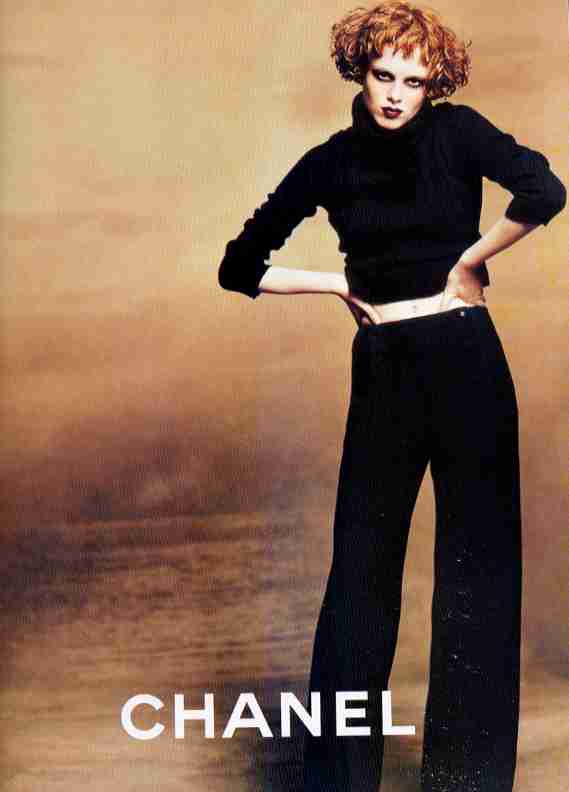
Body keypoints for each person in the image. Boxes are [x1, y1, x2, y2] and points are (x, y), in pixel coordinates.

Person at [217, 2, 566, 790]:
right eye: (383, 75)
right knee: (359, 576)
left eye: (413, 80)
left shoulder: (459, 132)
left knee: (478, 574)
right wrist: (340, 284)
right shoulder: (329, 162)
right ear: (360, 70)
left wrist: (468, 260)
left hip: (467, 360)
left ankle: (466, 783)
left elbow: (543, 191)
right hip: (383, 369)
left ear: (433, 82)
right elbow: (239, 267)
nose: (396, 94)